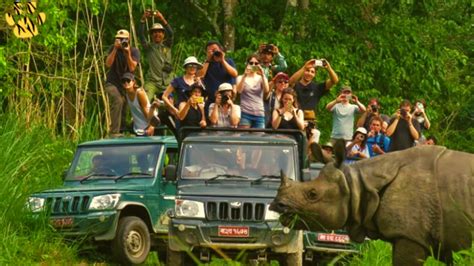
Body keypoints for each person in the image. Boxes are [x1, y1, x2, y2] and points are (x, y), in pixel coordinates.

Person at [105, 29, 140, 136]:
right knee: (118, 101)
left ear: (128, 39)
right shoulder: (113, 48)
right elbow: (108, 64)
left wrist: (127, 52)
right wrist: (115, 49)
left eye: (123, 39)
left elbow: (132, 67)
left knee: (126, 105)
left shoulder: (134, 51)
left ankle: (122, 129)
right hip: (112, 82)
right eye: (119, 39)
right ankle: (114, 132)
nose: (121, 41)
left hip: (126, 84)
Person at [138, 9, 174, 100]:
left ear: (163, 34)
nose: (157, 34)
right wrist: (143, 20)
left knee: (171, 104)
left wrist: (162, 18)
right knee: (145, 100)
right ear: (151, 35)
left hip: (167, 83)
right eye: (154, 32)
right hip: (153, 82)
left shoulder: (167, 45)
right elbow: (141, 35)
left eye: (159, 32)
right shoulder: (149, 47)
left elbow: (171, 34)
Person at [198, 40, 238, 107]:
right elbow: (200, 75)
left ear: (220, 50)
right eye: (210, 51)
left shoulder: (228, 61)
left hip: (227, 99)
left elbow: (235, 74)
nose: (213, 52)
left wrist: (222, 60)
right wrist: (208, 60)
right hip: (211, 100)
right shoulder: (206, 64)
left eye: (215, 50)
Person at [236, 55, 269, 128]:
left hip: (259, 113)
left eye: (256, 63)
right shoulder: (240, 77)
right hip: (245, 113)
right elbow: (239, 91)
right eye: (251, 63)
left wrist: (263, 74)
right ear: (247, 64)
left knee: (259, 138)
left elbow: (266, 90)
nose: (253, 65)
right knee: (244, 137)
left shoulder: (261, 78)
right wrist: (245, 75)